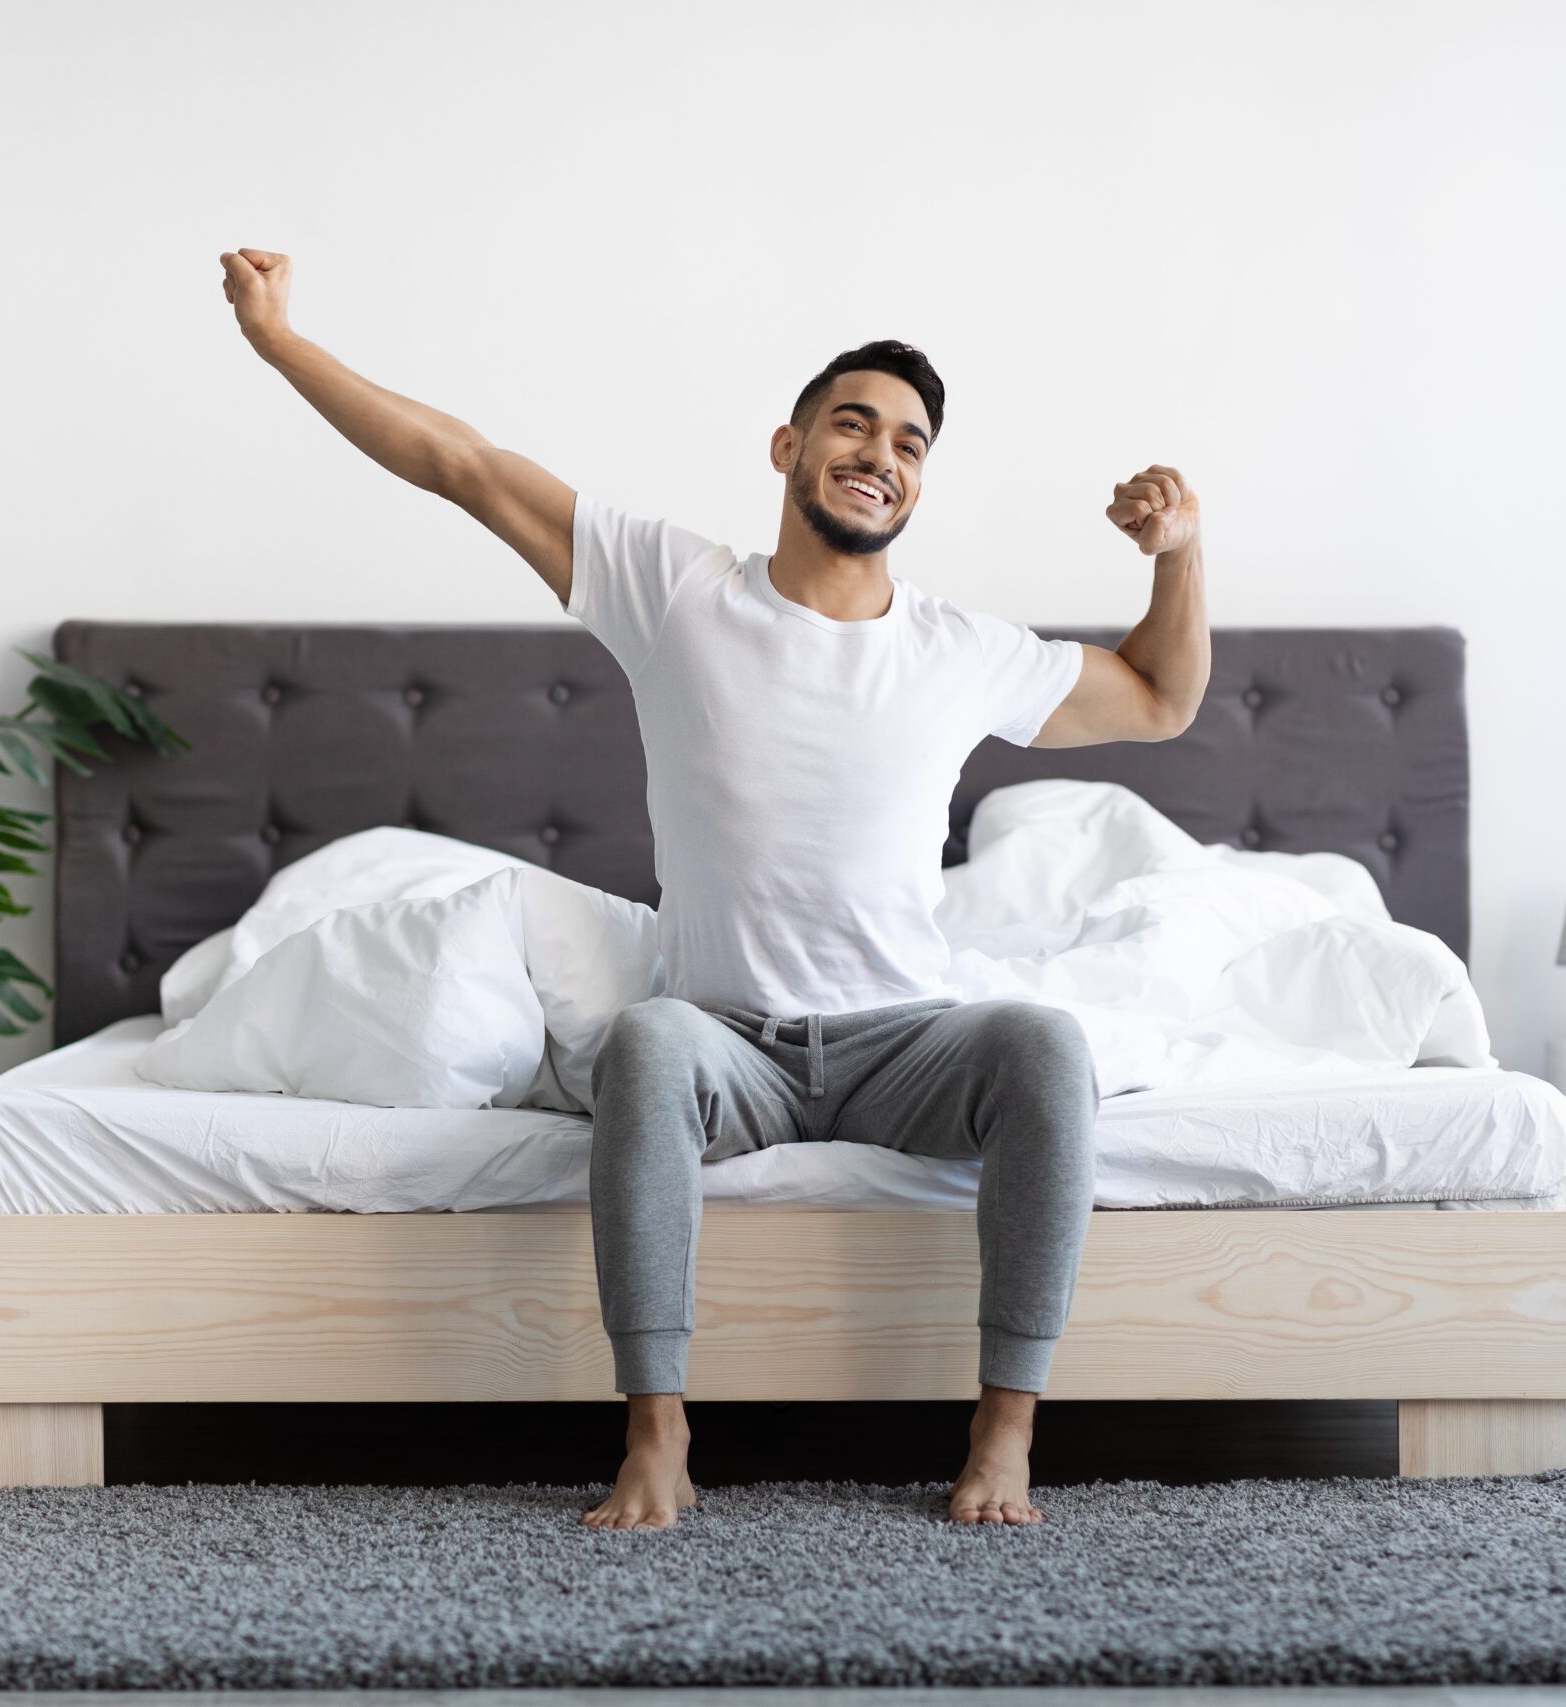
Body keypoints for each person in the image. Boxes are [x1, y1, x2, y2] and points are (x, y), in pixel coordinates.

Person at [219, 248, 1210, 1531]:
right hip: (727, 1043)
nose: (881, 450)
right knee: (640, 1041)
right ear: (790, 445)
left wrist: (1179, 555)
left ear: (919, 482)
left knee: (1041, 1047)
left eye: (910, 441)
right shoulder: (674, 589)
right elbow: (459, 465)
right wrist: (278, 340)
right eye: (854, 421)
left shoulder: (961, 651)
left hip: (904, 1040)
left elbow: (1161, 697)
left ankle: (1003, 1431)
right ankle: (657, 1435)